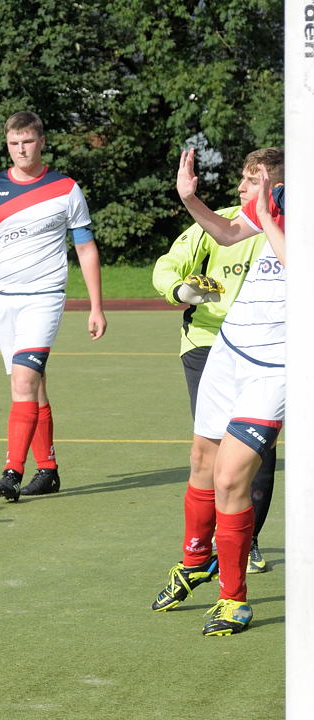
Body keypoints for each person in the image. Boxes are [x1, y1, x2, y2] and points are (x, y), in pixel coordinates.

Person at [0, 110, 106, 502]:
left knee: (23, 381)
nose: (21, 149)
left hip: (45, 297)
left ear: (42, 142)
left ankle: (12, 470)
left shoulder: (65, 188)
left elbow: (85, 247)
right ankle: (49, 471)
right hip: (3, 300)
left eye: (27, 141)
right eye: (14, 143)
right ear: (7, 144)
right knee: (35, 385)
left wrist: (96, 305)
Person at [150, 148, 285, 636]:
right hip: (228, 350)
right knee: (202, 461)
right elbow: (227, 233)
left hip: (277, 366)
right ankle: (194, 562)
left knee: (231, 479)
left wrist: (270, 217)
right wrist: (191, 199)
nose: (251, 187)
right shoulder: (275, 204)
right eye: (250, 179)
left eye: (260, 180)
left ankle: (234, 600)